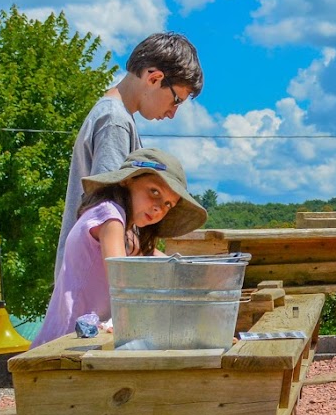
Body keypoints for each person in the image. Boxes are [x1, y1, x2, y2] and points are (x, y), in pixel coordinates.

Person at [31, 147, 209, 345]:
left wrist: (198, 278)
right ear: (127, 180)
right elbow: (122, 284)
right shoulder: (110, 216)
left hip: (81, 340)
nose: (159, 207)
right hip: (65, 344)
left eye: (168, 204)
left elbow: (162, 262)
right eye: (154, 192)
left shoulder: (125, 230)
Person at [56, 32, 203, 257]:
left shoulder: (115, 116)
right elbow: (108, 215)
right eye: (176, 101)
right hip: (92, 283)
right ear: (154, 78)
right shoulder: (115, 121)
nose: (173, 113)